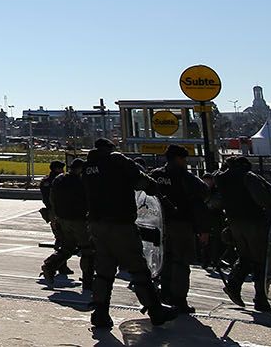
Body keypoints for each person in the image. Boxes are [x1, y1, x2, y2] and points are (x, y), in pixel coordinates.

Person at [82, 138, 177, 329]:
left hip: (96, 223)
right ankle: (155, 311)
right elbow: (142, 181)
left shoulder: (88, 166)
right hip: (120, 222)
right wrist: (154, 188)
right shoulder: (117, 159)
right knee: (138, 267)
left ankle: (100, 313)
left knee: (104, 270)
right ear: (110, 148)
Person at [213, 155, 271, 312]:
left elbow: (217, 200)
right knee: (260, 260)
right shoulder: (248, 176)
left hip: (234, 222)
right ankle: (260, 299)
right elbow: (264, 197)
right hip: (253, 221)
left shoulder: (221, 178)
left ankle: (234, 285)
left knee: (245, 257)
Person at [148, 144, 210, 312]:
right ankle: (179, 299)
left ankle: (165, 293)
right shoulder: (185, 177)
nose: (185, 162)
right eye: (184, 159)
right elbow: (203, 194)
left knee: (164, 261)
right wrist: (203, 229)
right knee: (181, 263)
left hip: (159, 225)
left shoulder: (156, 175)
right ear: (178, 159)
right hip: (181, 224)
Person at [41, 158, 93, 288]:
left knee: (66, 247)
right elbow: (88, 200)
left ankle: (49, 265)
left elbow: (51, 198)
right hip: (79, 220)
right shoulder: (81, 181)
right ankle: (88, 280)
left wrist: (57, 215)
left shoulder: (59, 179)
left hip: (63, 219)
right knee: (88, 250)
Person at [39, 161, 71, 276]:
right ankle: (59, 264)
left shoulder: (46, 180)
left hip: (53, 211)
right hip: (57, 212)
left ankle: (61, 264)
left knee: (61, 237)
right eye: (61, 168)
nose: (63, 170)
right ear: (57, 169)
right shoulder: (58, 181)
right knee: (61, 237)